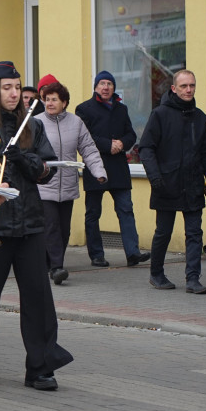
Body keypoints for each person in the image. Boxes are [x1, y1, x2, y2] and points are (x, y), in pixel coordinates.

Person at [0, 61, 72, 391]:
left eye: (17, 87)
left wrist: (23, 157)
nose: (14, 93)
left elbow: (47, 170)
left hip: (31, 222)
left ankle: (40, 366)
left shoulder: (32, 126)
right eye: (7, 87)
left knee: (37, 297)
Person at [139, 70, 206, 294]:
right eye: (183, 86)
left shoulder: (199, 117)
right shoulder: (160, 114)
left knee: (194, 234)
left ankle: (193, 279)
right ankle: (156, 274)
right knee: (163, 232)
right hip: (166, 183)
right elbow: (146, 149)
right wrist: (155, 177)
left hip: (192, 184)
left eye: (192, 85)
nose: (188, 90)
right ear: (174, 88)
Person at [35, 79, 106, 284]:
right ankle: (57, 267)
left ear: (64, 102)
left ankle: (50, 262)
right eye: (46, 99)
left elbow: (89, 150)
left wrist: (99, 172)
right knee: (52, 226)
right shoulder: (36, 122)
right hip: (43, 185)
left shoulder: (76, 123)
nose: (49, 103)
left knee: (64, 229)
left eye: (54, 100)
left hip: (67, 185)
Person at [75, 70, 149, 268]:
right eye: (102, 83)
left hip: (118, 168)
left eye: (109, 84)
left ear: (114, 87)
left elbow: (131, 135)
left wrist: (122, 144)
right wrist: (109, 145)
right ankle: (96, 255)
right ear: (96, 87)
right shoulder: (84, 109)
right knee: (93, 213)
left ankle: (133, 253)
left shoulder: (121, 109)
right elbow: (85, 138)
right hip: (95, 167)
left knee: (126, 210)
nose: (106, 87)